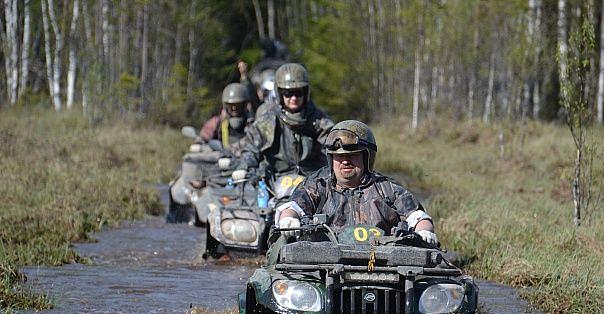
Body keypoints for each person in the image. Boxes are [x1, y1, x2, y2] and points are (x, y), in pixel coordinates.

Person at [276, 120, 438, 245]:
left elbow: (418, 217)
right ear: (331, 159)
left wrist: (424, 231)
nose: (345, 161)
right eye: (339, 156)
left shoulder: (388, 190)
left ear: (367, 157)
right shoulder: (318, 186)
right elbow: (292, 207)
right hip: (324, 267)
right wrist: (288, 219)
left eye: (352, 155)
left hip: (381, 267)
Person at [229, 63, 334, 182]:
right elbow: (251, 147)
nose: (294, 98)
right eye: (288, 93)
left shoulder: (317, 118)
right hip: (276, 181)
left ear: (306, 93)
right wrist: (244, 166)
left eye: (298, 93)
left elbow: (332, 143)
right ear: (279, 93)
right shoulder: (269, 119)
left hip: (313, 182)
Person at [167, 83, 253, 223]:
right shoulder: (217, 122)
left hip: (247, 169)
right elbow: (203, 137)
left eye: (238, 105)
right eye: (231, 105)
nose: (234, 109)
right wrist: (200, 144)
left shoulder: (254, 124)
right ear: (225, 105)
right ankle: (184, 217)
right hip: (219, 169)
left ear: (245, 105)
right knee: (185, 184)